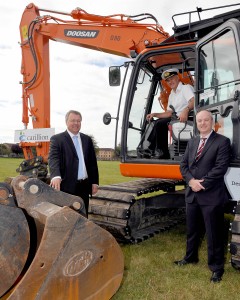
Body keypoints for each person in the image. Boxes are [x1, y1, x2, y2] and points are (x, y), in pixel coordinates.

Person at [175, 110, 231, 283]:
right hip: (192, 194)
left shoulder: (222, 141)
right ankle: (190, 257)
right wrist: (191, 181)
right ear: (196, 123)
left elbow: (221, 168)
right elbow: (183, 165)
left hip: (211, 195)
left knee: (214, 233)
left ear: (212, 121)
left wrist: (202, 183)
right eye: (199, 120)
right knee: (192, 230)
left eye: (206, 120)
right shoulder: (192, 142)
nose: (202, 123)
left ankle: (216, 268)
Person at [48, 110, 99, 217]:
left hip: (84, 186)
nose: (76, 123)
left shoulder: (87, 139)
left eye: (78, 121)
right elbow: (53, 158)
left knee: (83, 216)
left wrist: (94, 182)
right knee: (67, 216)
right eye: (73, 120)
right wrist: (56, 176)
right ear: (66, 122)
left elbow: (92, 163)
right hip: (66, 186)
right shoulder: (57, 139)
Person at [145, 68, 194, 159]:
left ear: (177, 77)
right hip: (175, 119)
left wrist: (186, 110)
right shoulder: (172, 94)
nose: (170, 82)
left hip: (186, 119)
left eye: (171, 78)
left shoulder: (185, 88)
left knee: (160, 123)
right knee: (157, 122)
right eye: (168, 81)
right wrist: (155, 114)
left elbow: (193, 101)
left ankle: (160, 151)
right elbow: (169, 112)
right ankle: (153, 148)